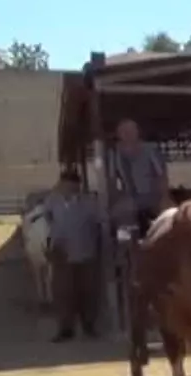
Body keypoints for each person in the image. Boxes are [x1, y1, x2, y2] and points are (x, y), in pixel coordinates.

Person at [44, 170, 105, 342]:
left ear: (77, 186)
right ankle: (65, 329)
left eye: (71, 185)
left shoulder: (89, 202)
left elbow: (100, 222)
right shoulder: (52, 201)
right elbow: (47, 219)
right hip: (62, 254)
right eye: (64, 184)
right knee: (63, 293)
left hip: (86, 252)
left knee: (88, 291)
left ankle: (89, 325)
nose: (68, 188)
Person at [109, 118, 171, 238]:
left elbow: (161, 174)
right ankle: (126, 245)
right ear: (118, 134)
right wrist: (116, 198)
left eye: (131, 130)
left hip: (153, 195)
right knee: (118, 215)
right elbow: (112, 180)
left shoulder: (150, 149)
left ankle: (164, 241)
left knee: (169, 217)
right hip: (130, 197)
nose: (128, 134)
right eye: (124, 131)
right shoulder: (115, 153)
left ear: (137, 132)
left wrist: (165, 197)